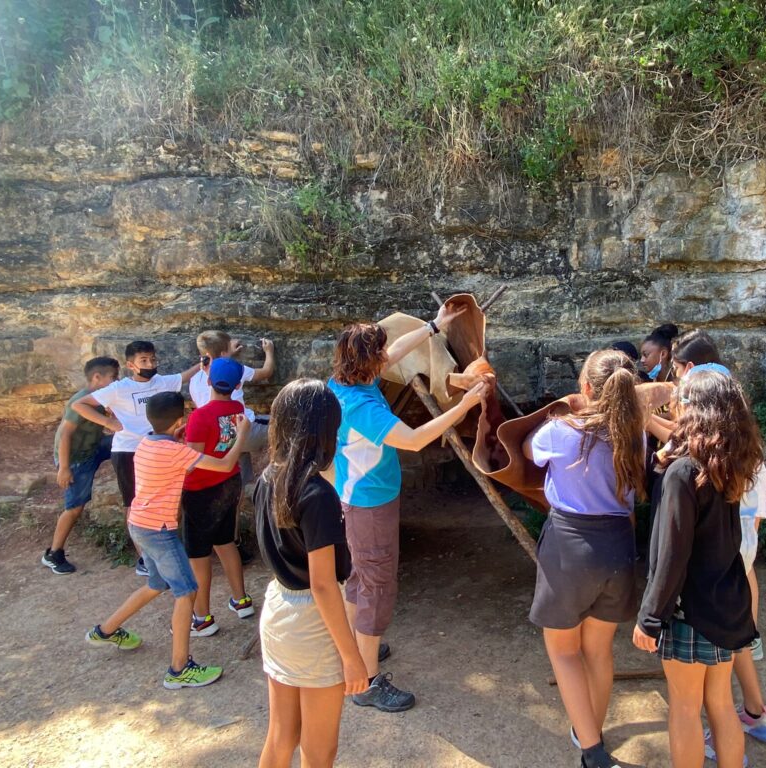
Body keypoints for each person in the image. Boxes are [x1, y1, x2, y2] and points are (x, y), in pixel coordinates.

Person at [328, 305, 486, 713]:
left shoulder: (344, 380)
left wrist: (435, 325)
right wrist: (465, 405)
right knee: (377, 587)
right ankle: (365, 682)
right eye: (379, 353)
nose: (387, 356)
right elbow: (414, 440)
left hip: (356, 498)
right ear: (368, 361)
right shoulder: (362, 407)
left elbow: (395, 352)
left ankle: (356, 650)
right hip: (369, 505)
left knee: (360, 579)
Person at [522, 349, 646, 768]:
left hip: (570, 545)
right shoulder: (635, 434)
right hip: (618, 546)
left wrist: (558, 413)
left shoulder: (560, 430)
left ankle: (592, 751)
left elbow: (528, 451)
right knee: (599, 650)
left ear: (587, 388)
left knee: (563, 651)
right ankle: (591, 729)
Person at [634, 371, 763, 768]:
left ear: (692, 409)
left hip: (689, 609)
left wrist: (650, 617)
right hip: (725, 601)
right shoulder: (730, 462)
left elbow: (672, 555)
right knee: (721, 703)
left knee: (685, 708)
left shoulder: (684, 472)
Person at [85, 392, 250, 690]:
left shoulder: (146, 443)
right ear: (179, 421)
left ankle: (105, 630)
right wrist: (241, 435)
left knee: (156, 584)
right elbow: (225, 465)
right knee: (186, 592)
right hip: (159, 531)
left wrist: (176, 436)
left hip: (139, 524)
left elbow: (172, 453)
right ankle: (179, 669)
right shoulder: (176, 452)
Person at [255, 379, 368, 768]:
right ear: (326, 430)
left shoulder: (268, 478)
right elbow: (322, 585)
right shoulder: (317, 495)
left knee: (281, 736)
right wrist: (351, 657)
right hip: (311, 621)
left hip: (278, 608)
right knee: (320, 751)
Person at [72, 341, 199, 576]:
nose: (150, 364)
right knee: (133, 503)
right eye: (144, 360)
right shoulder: (119, 388)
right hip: (128, 450)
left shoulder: (161, 382)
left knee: (168, 500)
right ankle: (144, 559)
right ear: (131, 365)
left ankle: (165, 551)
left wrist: (204, 362)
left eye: (153, 359)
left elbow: (184, 376)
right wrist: (108, 422)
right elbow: (79, 404)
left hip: (159, 450)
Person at [182, 357, 253, 637]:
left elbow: (192, 459)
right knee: (225, 542)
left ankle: (202, 617)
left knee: (198, 555)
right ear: (237, 386)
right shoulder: (237, 409)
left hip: (200, 490)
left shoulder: (199, 416)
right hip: (229, 482)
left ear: (209, 380)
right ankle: (241, 600)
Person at [42, 357, 120, 574]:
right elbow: (65, 435)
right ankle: (53, 553)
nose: (117, 381)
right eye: (114, 377)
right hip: (76, 458)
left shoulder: (100, 398)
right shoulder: (80, 401)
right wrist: (64, 468)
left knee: (126, 442)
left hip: (93, 448)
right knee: (75, 507)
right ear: (97, 377)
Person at [190, 330, 275, 482]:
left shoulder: (194, 380)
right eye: (229, 348)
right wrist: (269, 351)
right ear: (237, 385)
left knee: (232, 437)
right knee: (283, 426)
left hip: (221, 440)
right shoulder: (237, 370)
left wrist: (226, 353)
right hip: (243, 434)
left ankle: (245, 484)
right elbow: (266, 372)